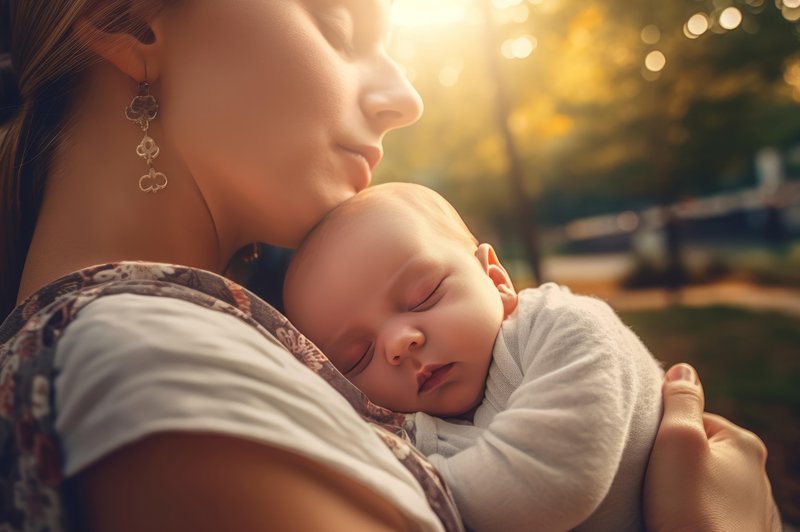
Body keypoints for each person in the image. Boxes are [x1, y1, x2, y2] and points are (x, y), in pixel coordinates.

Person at [0, 1, 781, 531]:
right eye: (340, 25)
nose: (405, 98)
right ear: (129, 21)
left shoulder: (181, 341)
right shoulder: (152, 367)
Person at [283, 183, 665, 531]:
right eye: (358, 357)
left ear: (496, 279)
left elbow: (545, 486)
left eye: (424, 295)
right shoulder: (403, 430)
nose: (399, 343)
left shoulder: (564, 326)